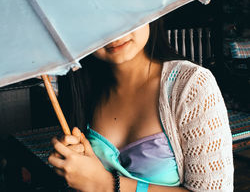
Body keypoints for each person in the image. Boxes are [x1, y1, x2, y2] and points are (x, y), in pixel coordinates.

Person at [48, 19, 234, 192]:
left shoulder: (190, 86)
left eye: (123, 13)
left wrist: (107, 184)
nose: (114, 34)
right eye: (97, 20)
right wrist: (72, 163)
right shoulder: (84, 94)